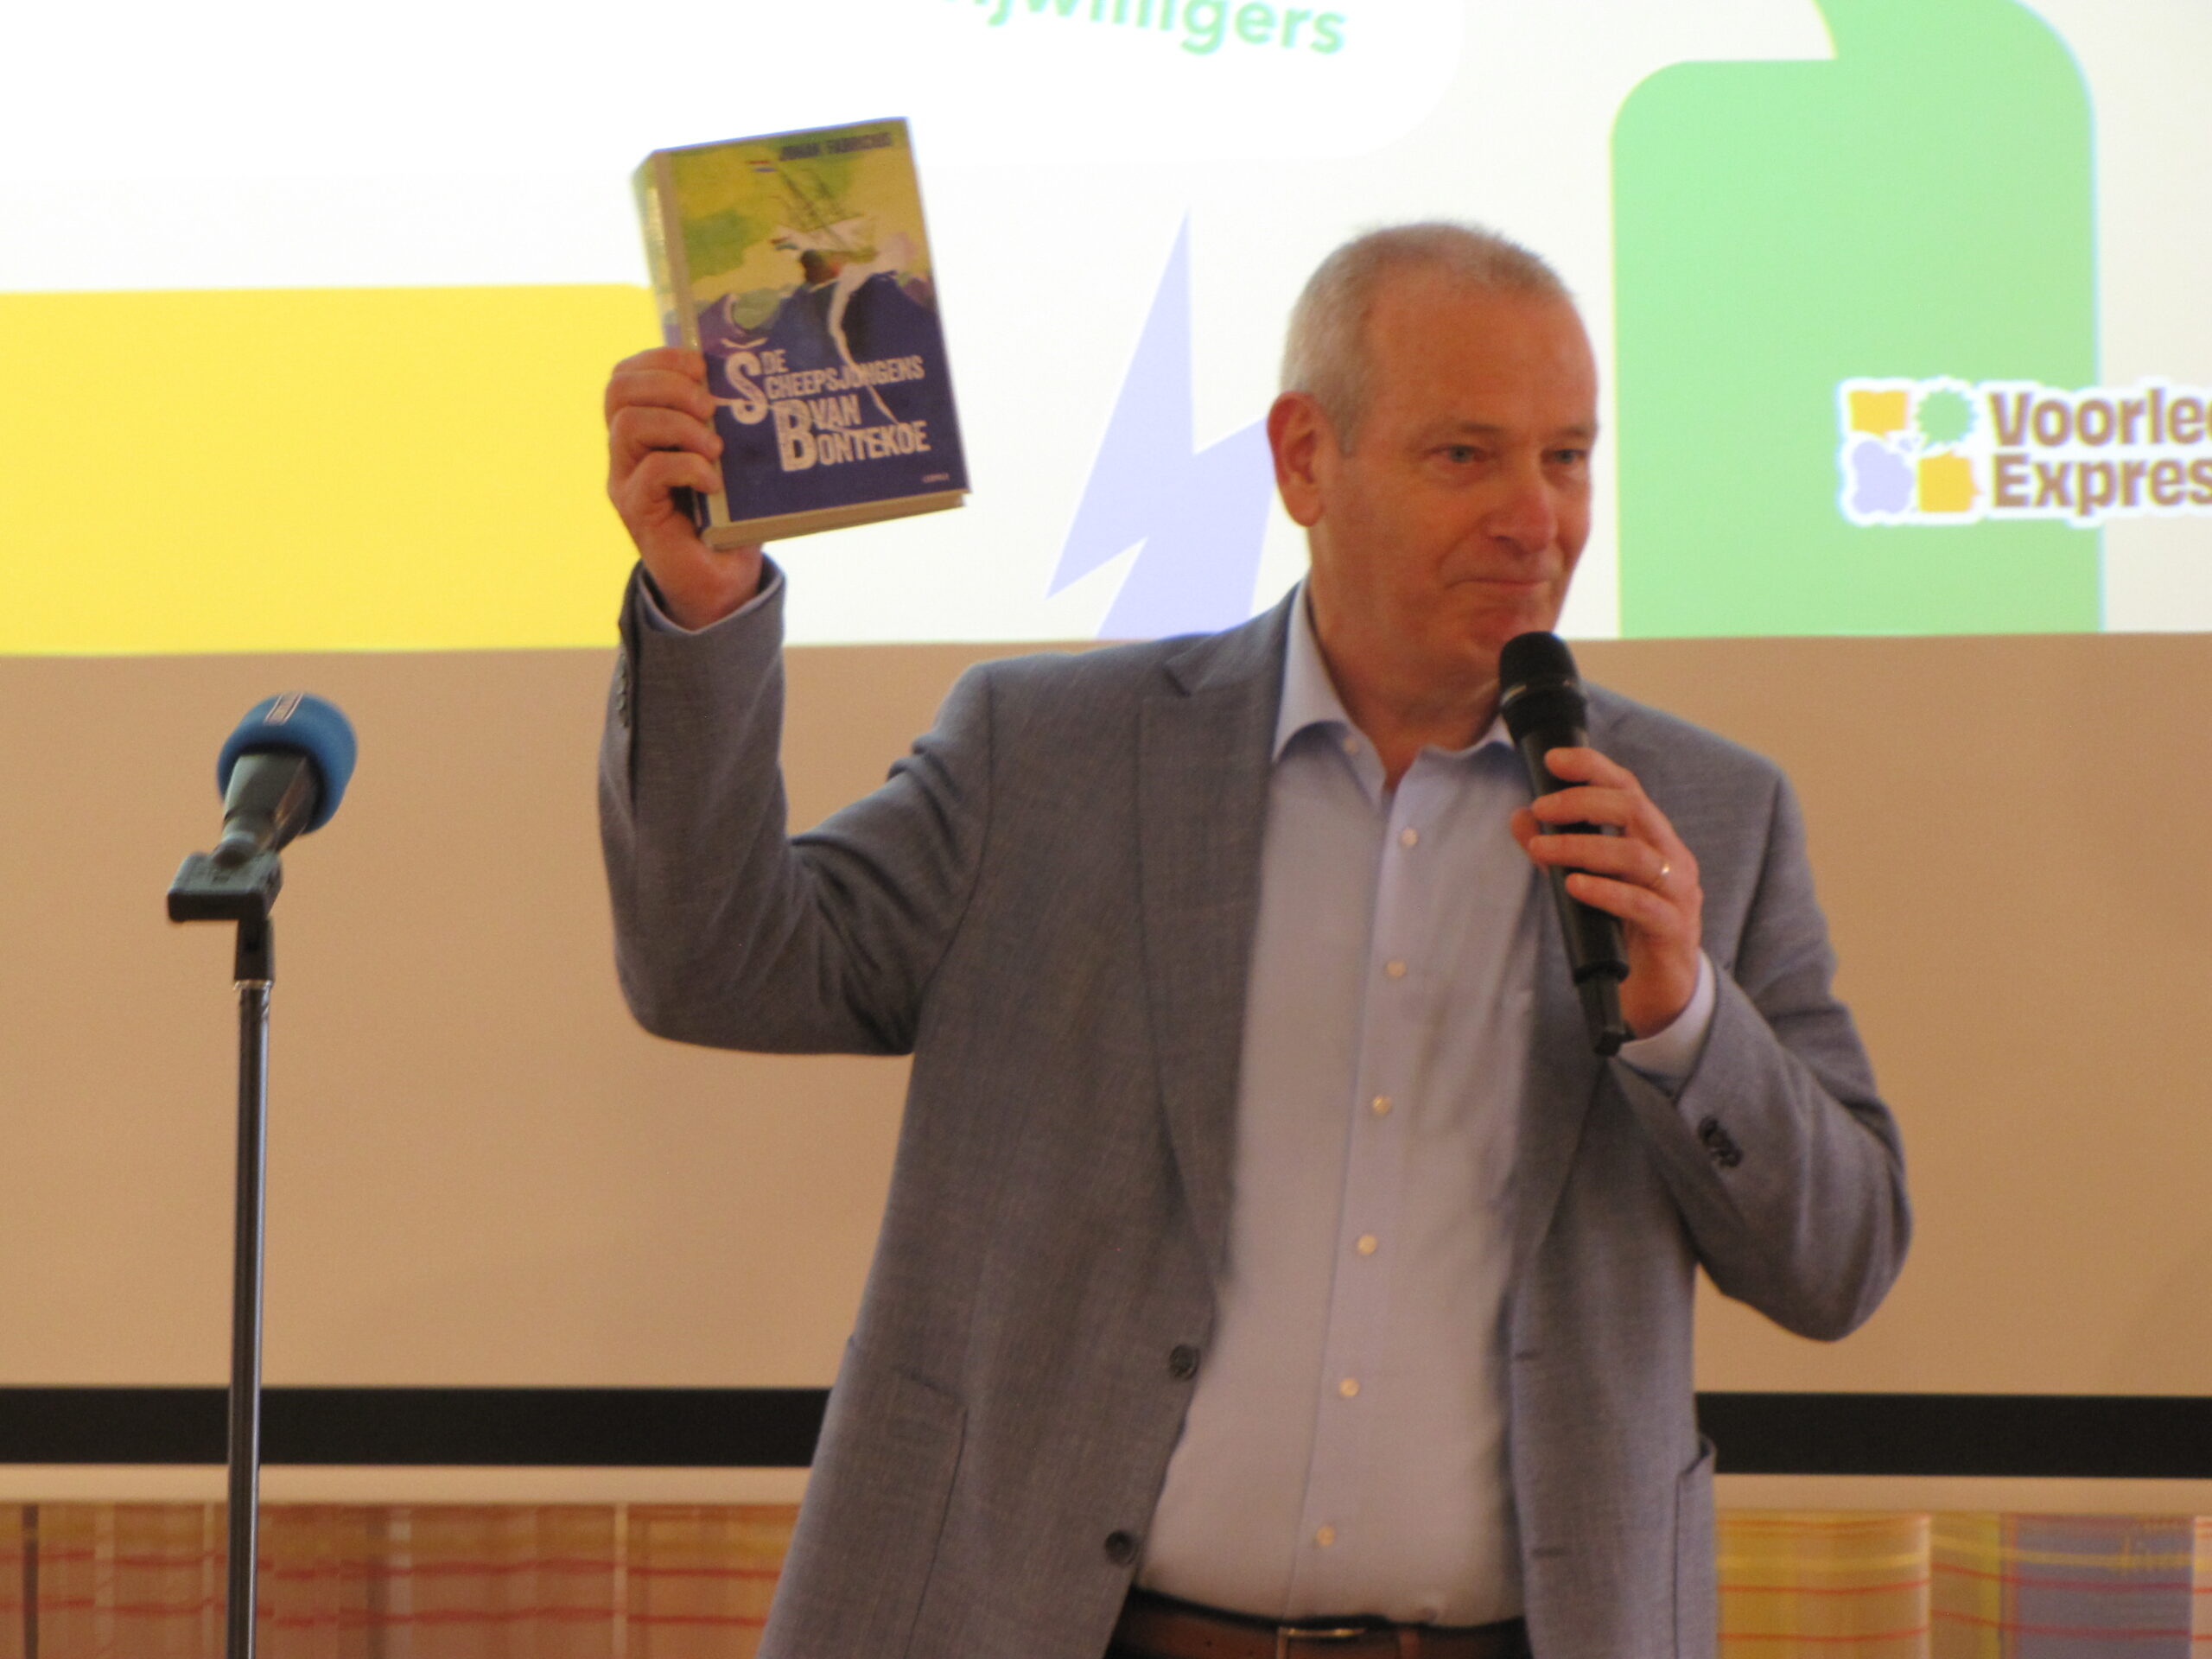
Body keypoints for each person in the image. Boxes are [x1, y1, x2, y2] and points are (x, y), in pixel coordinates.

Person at [597, 223, 1910, 1659]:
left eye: (1569, 457)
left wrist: (1686, 1024)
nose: (1536, 519)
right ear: (1303, 460)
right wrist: (707, 610)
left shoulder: (1704, 817)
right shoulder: (1050, 757)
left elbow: (1841, 1265)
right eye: (1465, 456)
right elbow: (716, 963)